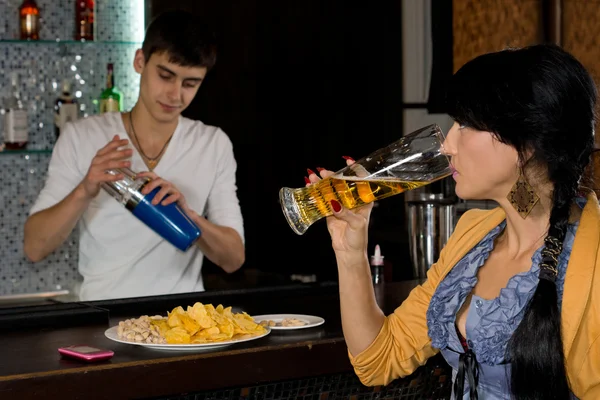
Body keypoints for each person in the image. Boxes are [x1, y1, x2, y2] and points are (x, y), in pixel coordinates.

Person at [309, 43, 600, 399]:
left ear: (525, 144)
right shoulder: (473, 235)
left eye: (465, 125)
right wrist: (351, 249)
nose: (447, 145)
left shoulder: (593, 258)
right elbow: (377, 359)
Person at [23, 10, 245, 301]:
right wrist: (86, 189)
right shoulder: (82, 136)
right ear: (140, 61)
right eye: (165, 76)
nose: (175, 95)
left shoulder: (213, 143)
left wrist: (189, 216)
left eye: (190, 83)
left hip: (183, 325)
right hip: (102, 319)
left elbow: (233, 258)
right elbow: (34, 247)